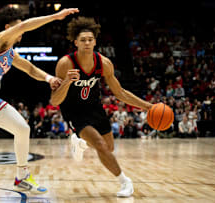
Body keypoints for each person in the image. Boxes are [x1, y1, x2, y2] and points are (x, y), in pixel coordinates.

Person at [0, 7, 78, 195]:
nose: (22, 31)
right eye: (18, 27)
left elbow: (30, 69)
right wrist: (55, 16)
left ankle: (22, 177)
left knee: (22, 128)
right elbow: (26, 26)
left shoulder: (10, 53)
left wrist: (49, 78)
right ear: (7, 27)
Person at [50, 17, 153, 197]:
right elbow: (55, 101)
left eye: (90, 39)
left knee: (108, 147)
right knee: (99, 144)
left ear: (95, 41)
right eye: (83, 40)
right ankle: (125, 181)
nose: (87, 43)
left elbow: (119, 92)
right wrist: (67, 81)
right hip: (74, 111)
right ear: (75, 43)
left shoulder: (104, 63)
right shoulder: (65, 63)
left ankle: (79, 143)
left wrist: (148, 106)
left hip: (94, 107)